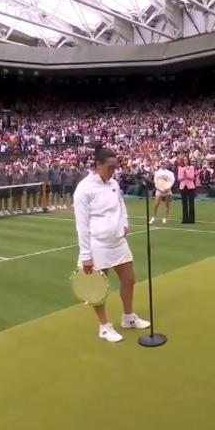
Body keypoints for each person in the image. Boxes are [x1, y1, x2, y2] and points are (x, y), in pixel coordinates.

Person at [74, 144, 151, 343]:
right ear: (97, 165)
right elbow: (81, 224)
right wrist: (86, 255)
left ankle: (128, 318)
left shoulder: (114, 184)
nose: (113, 171)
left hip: (118, 241)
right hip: (97, 244)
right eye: (110, 167)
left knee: (129, 279)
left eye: (115, 167)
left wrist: (125, 223)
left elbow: (121, 205)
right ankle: (104, 326)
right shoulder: (84, 189)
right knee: (98, 288)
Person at [178, 156, 196, 224]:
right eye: (184, 159)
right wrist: (183, 175)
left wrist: (186, 174)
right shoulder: (180, 168)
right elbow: (179, 178)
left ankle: (191, 219)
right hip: (183, 187)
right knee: (184, 203)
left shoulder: (191, 167)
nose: (185, 161)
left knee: (191, 203)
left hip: (190, 187)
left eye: (186, 159)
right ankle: (185, 219)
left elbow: (192, 177)